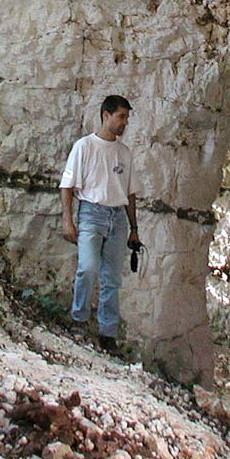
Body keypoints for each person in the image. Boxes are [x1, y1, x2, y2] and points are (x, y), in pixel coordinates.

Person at [59, 94, 141, 350]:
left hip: (117, 218)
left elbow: (129, 193)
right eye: (121, 117)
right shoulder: (84, 147)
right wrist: (68, 220)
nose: (124, 123)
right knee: (88, 268)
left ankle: (107, 333)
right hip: (91, 214)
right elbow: (68, 186)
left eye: (127, 118)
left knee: (112, 278)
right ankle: (78, 319)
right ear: (106, 115)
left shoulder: (124, 153)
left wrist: (134, 229)